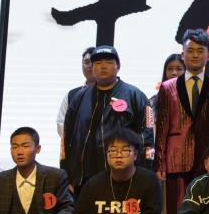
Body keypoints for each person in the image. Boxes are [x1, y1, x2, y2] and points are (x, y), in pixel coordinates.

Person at [155, 30, 209, 214]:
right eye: (190, 50)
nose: (195, 55)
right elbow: (161, 128)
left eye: (200, 50)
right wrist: (160, 163)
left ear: (208, 54)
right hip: (176, 158)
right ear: (183, 53)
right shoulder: (168, 87)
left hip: (207, 160)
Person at [61, 128, 165, 214]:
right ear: (107, 154)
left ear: (135, 154)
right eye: (113, 150)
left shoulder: (148, 180)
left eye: (125, 150)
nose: (118, 155)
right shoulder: (93, 184)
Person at [62, 45, 150, 193]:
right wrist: (66, 174)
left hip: (124, 176)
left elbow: (147, 135)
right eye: (97, 63)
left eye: (109, 62)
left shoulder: (135, 95)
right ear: (92, 67)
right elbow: (66, 138)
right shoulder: (79, 98)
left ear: (118, 66)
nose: (103, 66)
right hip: (84, 178)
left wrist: (145, 171)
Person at [147, 53, 185, 164]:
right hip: (159, 156)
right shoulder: (154, 101)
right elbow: (148, 130)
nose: (174, 73)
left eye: (179, 69)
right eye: (170, 69)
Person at [56, 46, 95, 140]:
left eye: (94, 62)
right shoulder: (72, 95)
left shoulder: (113, 93)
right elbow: (61, 122)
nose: (90, 66)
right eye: (86, 62)